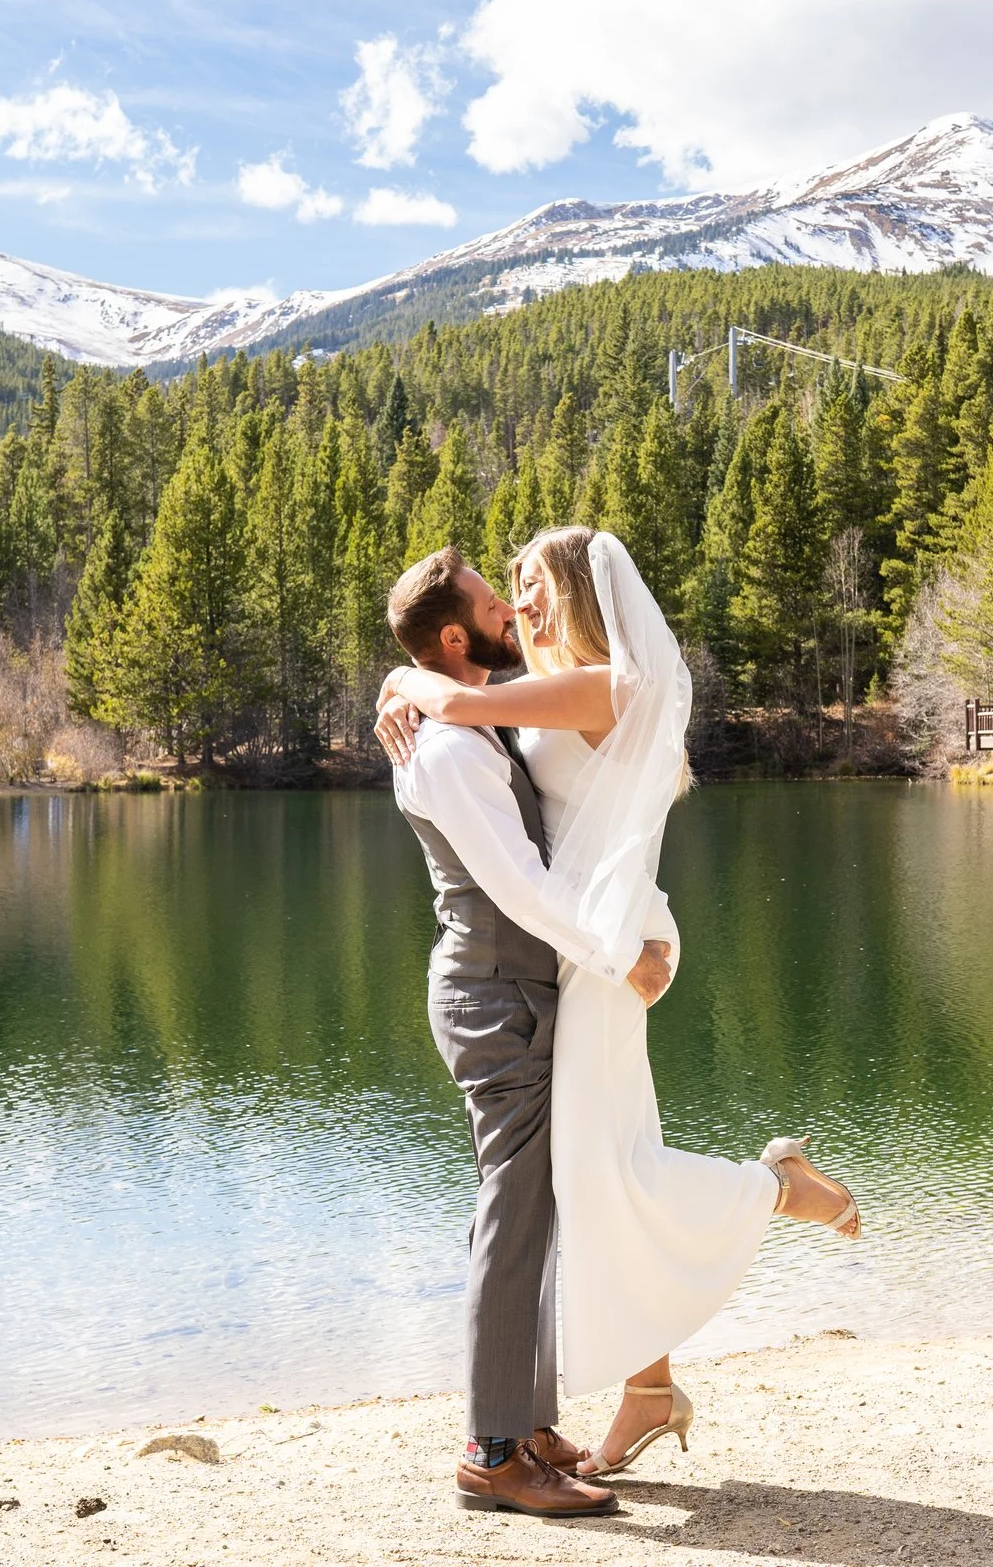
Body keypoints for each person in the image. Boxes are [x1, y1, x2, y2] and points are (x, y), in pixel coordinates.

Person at [378, 526, 860, 1482]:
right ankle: (646, 1385)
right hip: (588, 944)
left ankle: (776, 1186)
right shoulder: (527, 696)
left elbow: (459, 691)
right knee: (601, 1168)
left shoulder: (605, 686)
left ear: (571, 591)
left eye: (526, 584)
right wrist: (407, 685)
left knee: (604, 1170)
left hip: (604, 947)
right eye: (498, 594)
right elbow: (462, 697)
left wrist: (418, 685)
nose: (515, 603)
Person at [384, 546, 675, 1518]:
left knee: (534, 1207)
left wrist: (401, 676)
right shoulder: (450, 749)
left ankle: (530, 1421)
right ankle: (491, 1448)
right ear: (458, 635)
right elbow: (517, 884)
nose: (514, 610)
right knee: (512, 1215)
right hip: (493, 991)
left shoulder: (478, 716)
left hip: (522, 985)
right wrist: (614, 953)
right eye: (492, 603)